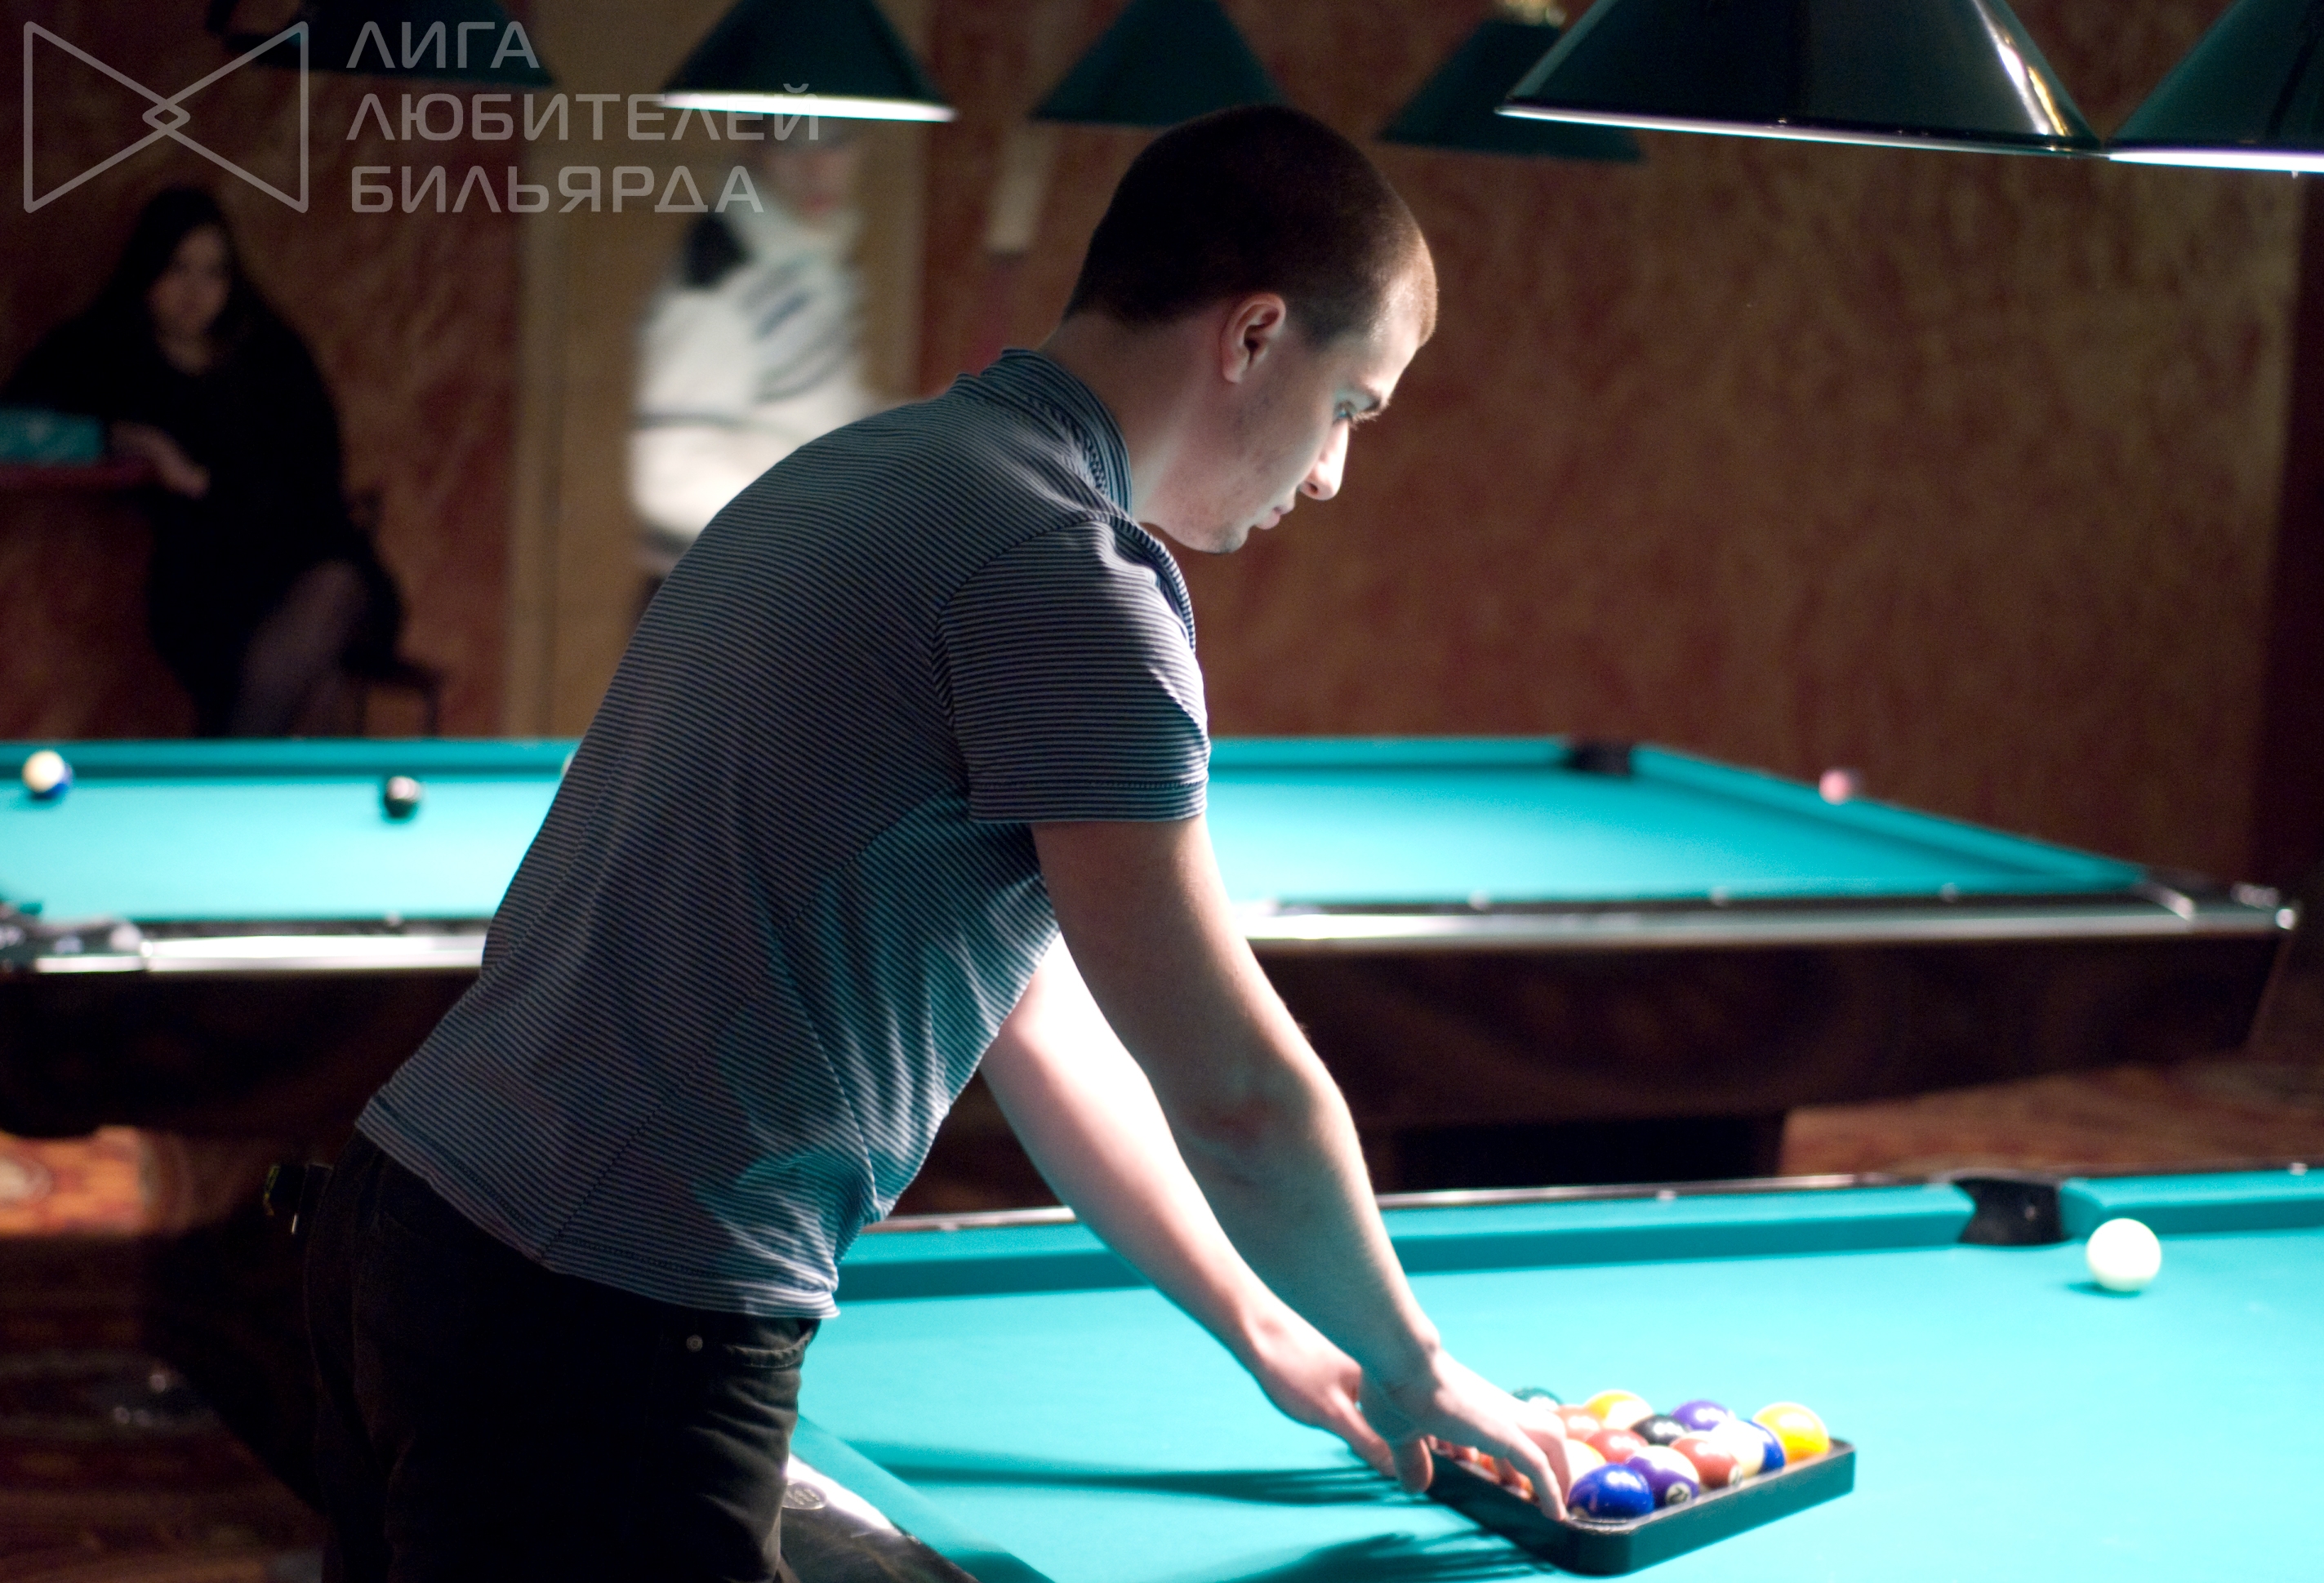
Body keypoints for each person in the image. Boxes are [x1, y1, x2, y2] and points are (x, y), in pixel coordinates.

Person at [305, 106, 1573, 1581]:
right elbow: (1234, 1092)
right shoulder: (1072, 576)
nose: (1334, 471)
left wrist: (1265, 1320)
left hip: (405, 1225)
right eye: (1350, 404)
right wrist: (1419, 1358)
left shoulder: (875, 464)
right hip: (599, 1321)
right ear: (1253, 335)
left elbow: (1027, 1013)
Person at [2, 187, 401, 736]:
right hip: (203, 582)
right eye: (178, 268)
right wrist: (124, 438)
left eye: (215, 272)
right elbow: (12, 429)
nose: (196, 292)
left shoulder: (270, 348)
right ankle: (246, 774)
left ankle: (231, 769)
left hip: (309, 556)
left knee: (331, 603)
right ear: (148, 268)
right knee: (318, 683)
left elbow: (319, 475)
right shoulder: (104, 347)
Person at [631, 127, 884, 585]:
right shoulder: (721, 279)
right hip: (722, 593)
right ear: (756, 145)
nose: (818, 168)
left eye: (836, 141)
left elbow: (805, 416)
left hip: (773, 583)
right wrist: (820, 515)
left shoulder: (808, 262)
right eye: (793, 145)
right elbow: (670, 475)